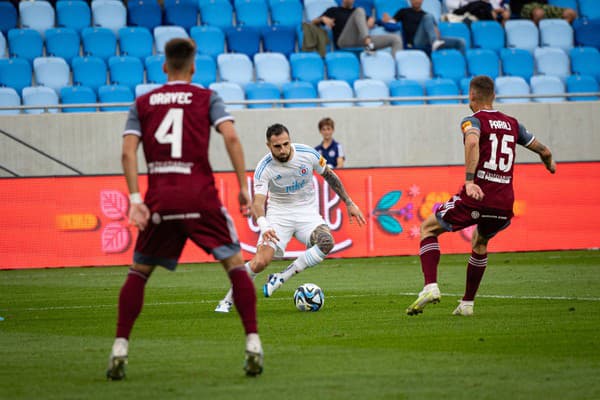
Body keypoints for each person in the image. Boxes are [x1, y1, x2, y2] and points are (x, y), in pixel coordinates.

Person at [106, 38, 263, 380]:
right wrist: (242, 188)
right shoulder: (208, 97)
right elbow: (232, 137)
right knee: (235, 265)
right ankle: (252, 342)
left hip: (160, 200)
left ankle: (120, 347)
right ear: (193, 67)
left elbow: (127, 152)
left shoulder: (143, 102)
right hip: (200, 198)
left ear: (164, 66)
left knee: (139, 272)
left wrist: (135, 201)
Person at [406, 75, 556, 317]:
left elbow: (472, 143)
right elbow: (544, 150)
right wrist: (548, 162)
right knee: (480, 243)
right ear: (493, 96)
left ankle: (430, 286)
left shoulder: (472, 121)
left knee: (428, 229)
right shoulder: (513, 124)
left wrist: (468, 181)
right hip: (505, 203)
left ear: (472, 95)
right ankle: (467, 304)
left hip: (478, 195)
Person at [214, 123, 366, 313]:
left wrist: (349, 203)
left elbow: (329, 175)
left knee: (326, 242)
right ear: (268, 145)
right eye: (277, 146)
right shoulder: (264, 168)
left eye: (286, 144)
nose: (283, 150)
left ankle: (281, 277)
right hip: (279, 216)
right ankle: (227, 301)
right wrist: (264, 225)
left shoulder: (307, 154)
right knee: (260, 262)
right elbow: (258, 202)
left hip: (307, 213)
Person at [313, 0, 403, 55]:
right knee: (360, 10)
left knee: (396, 39)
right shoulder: (333, 10)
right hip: (343, 41)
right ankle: (368, 44)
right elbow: (313, 22)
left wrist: (377, 20)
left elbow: (374, 22)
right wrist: (322, 18)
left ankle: (396, 70)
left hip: (361, 40)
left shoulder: (358, 13)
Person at [382, 0, 466, 54]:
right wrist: (385, 21)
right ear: (410, 1)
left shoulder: (425, 14)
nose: (417, 1)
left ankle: (464, 67)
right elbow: (391, 25)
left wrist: (436, 33)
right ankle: (434, 42)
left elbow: (436, 31)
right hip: (416, 42)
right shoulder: (403, 12)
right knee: (428, 17)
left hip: (430, 40)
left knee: (461, 42)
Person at [444, 0, 511, 25]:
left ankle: (500, 33)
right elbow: (450, 4)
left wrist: (497, 10)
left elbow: (494, 4)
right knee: (480, 5)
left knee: (506, 14)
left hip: (481, 10)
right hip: (460, 10)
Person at [510, 0, 577, 24]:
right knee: (539, 13)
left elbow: (544, 4)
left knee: (571, 13)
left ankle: (558, 28)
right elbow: (514, 5)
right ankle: (535, 33)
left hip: (542, 6)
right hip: (524, 7)